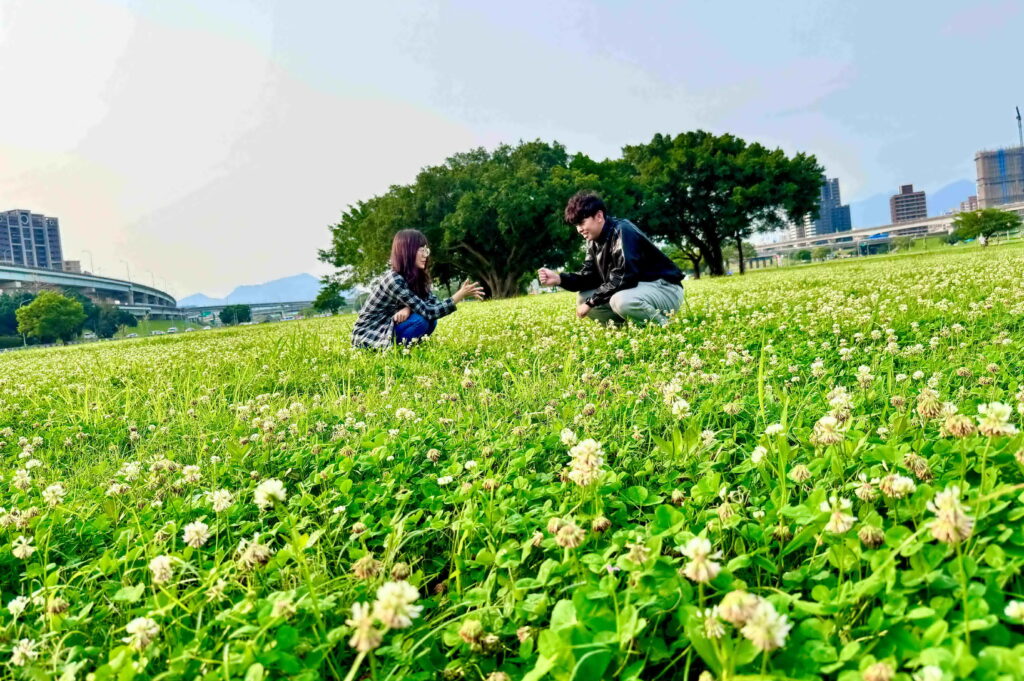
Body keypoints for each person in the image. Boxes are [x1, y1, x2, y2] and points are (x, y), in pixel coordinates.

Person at [538, 191, 684, 326]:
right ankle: (630, 329)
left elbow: (624, 276)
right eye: (576, 225)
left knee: (619, 301)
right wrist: (559, 279)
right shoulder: (593, 241)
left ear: (599, 216)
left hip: (664, 288)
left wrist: (591, 303)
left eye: (581, 223)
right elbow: (589, 277)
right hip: (638, 289)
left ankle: (664, 327)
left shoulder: (623, 231)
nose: (579, 229)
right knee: (584, 297)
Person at [351, 229, 483, 348]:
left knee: (430, 321)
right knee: (421, 321)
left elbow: (433, 303)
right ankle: (400, 347)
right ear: (407, 251)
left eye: (427, 250)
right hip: (370, 334)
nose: (426, 255)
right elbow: (429, 311)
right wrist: (460, 295)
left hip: (389, 326)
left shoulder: (417, 277)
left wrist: (408, 308)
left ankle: (407, 345)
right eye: (422, 250)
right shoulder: (393, 279)